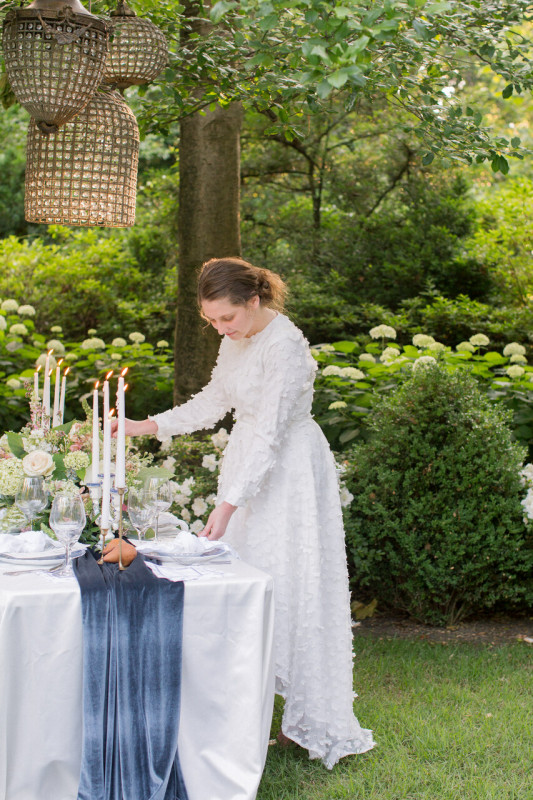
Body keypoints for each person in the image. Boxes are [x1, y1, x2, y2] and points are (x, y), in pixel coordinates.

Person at [116, 257, 375, 769]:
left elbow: (270, 431)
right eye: (211, 320)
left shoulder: (286, 347)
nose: (220, 328)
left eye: (226, 319)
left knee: (292, 584)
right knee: (247, 581)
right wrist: (144, 426)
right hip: (248, 465)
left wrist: (229, 502)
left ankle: (313, 719)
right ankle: (245, 709)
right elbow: (215, 400)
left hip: (290, 472)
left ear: (254, 301)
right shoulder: (234, 339)